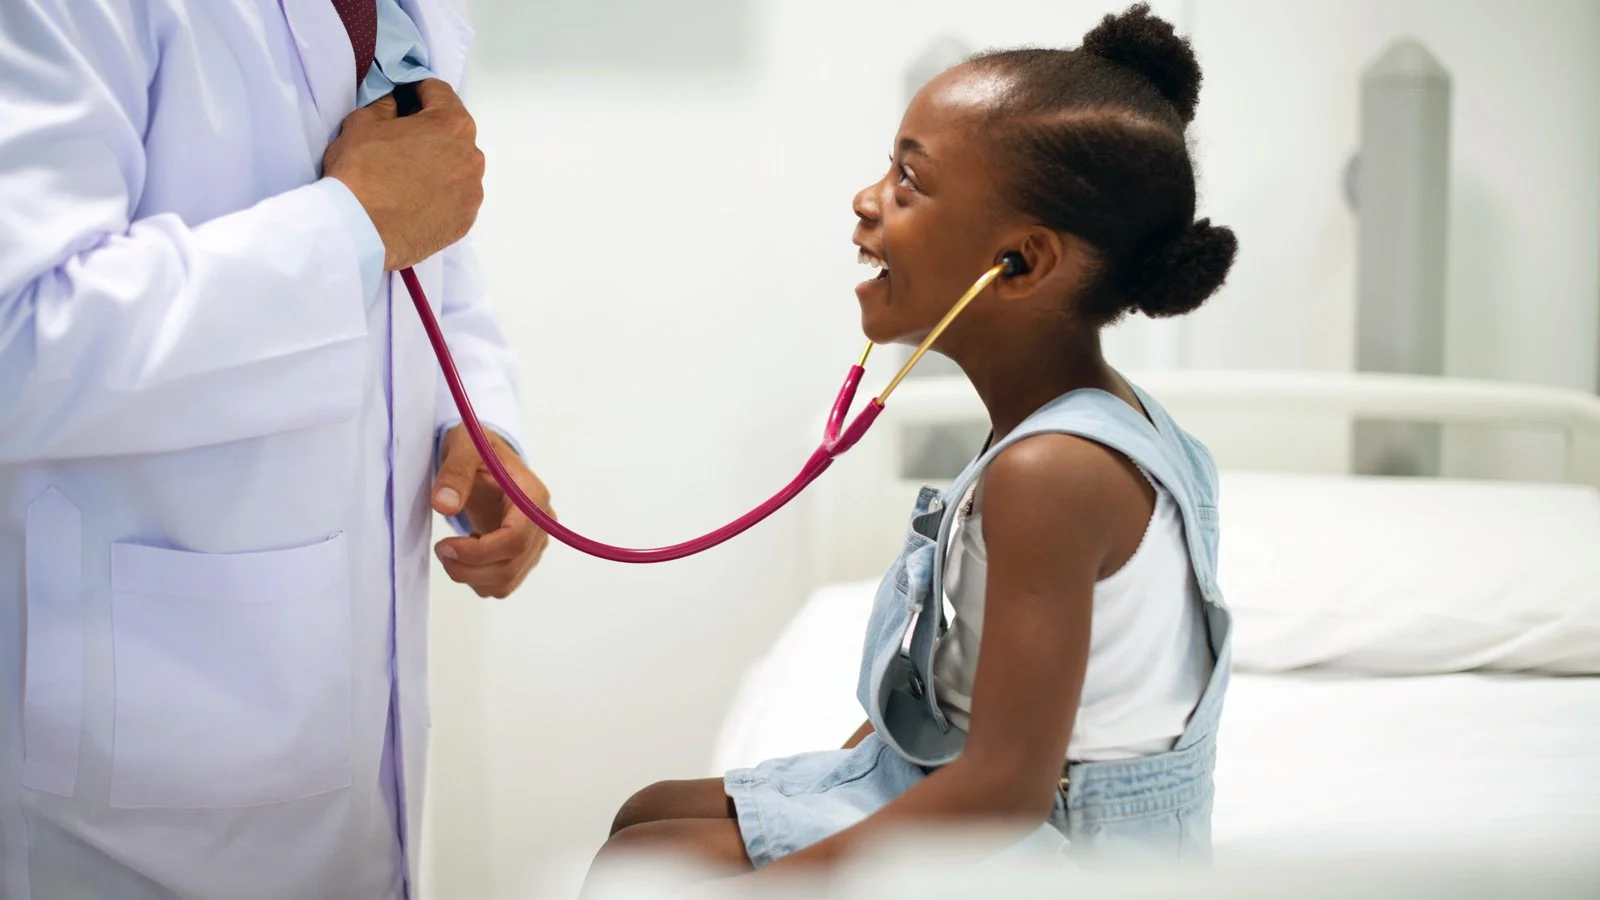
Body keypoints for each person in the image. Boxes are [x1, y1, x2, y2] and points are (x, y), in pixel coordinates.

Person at [582, 3, 1238, 892]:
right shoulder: (1066, 423)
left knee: (648, 861)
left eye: (908, 181)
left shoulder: (1053, 471)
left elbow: (1006, 793)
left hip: (1060, 851)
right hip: (961, 780)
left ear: (1023, 262)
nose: (867, 200)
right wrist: (831, 790)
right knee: (648, 811)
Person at [0, 2, 551, 898]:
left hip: (338, 761)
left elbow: (423, 218)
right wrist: (348, 228)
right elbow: (19, 336)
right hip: (124, 809)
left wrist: (474, 418)